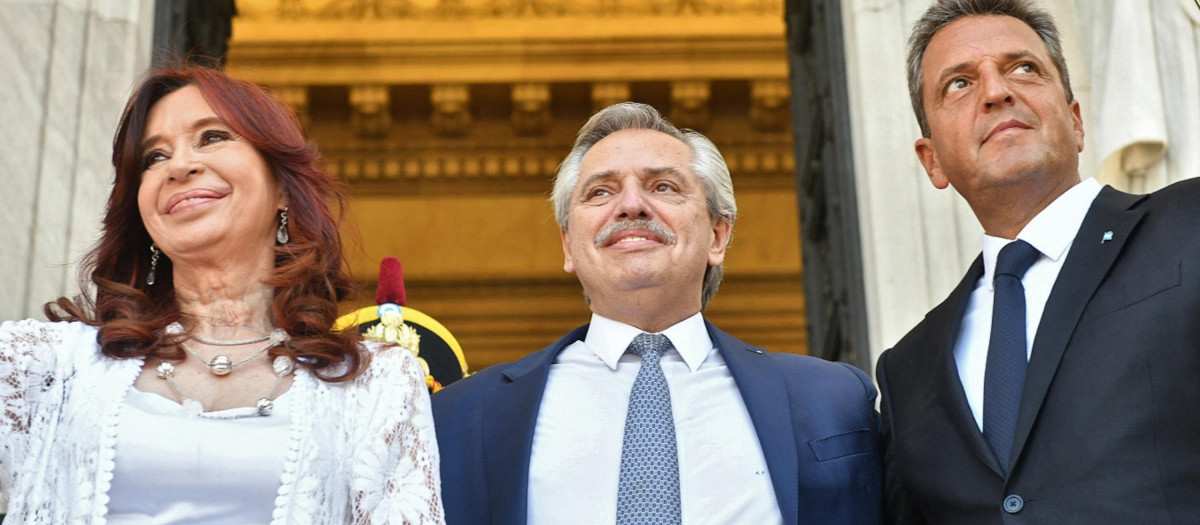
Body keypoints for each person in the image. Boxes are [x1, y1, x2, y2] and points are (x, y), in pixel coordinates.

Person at [0, 66, 444, 523]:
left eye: (212, 137)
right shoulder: (47, 368)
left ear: (282, 190)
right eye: (154, 157)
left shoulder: (374, 384)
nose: (178, 165)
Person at [432, 102, 883, 525]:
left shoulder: (833, 400)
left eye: (663, 186)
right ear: (569, 246)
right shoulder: (463, 416)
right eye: (601, 191)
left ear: (717, 236)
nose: (630, 205)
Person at [877, 0, 1200, 523]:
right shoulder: (905, 370)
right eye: (959, 83)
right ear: (931, 160)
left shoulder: (1188, 224)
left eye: (1023, 68)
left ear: (1076, 121)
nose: (997, 91)